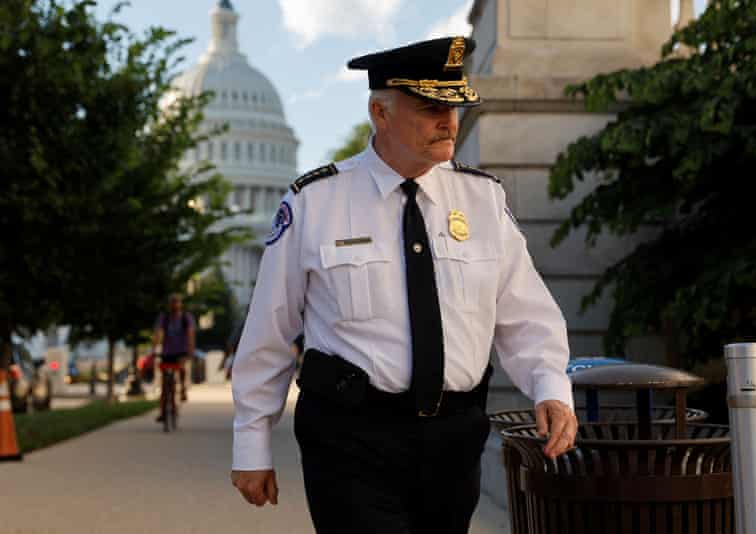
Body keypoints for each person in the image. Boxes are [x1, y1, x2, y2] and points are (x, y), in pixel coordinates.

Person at [230, 36, 578, 534]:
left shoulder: (482, 200)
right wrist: (251, 441)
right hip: (351, 439)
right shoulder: (316, 202)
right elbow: (269, 328)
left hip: (454, 441)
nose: (449, 121)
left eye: (455, 106)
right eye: (430, 107)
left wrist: (550, 386)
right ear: (380, 111)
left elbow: (525, 314)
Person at [152, 293, 195, 417]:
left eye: (177, 302)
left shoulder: (186, 318)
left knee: (181, 367)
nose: (175, 304)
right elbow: (158, 333)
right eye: (172, 302)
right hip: (167, 351)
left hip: (181, 350)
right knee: (165, 384)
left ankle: (182, 389)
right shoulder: (164, 317)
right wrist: (154, 349)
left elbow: (190, 334)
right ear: (169, 304)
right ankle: (163, 411)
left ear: (181, 304)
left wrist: (190, 350)